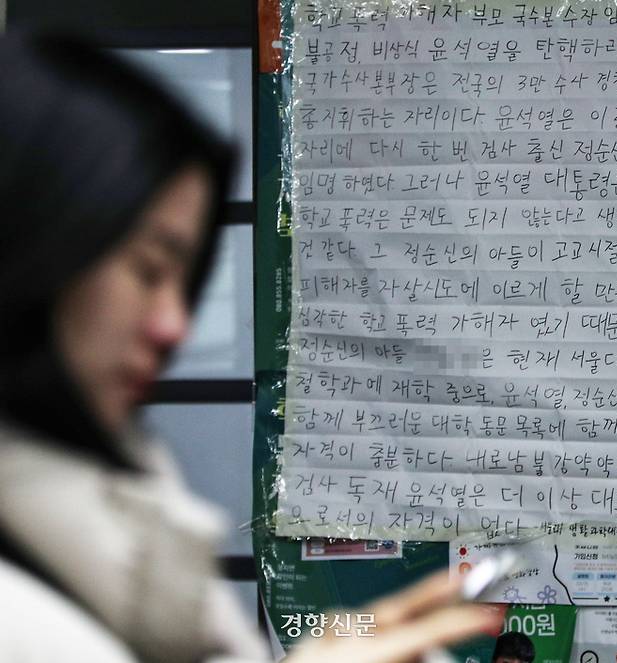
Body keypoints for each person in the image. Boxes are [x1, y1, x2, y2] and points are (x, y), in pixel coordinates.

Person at [0, 30, 502, 663]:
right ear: (33, 242)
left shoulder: (117, 509)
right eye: (150, 271)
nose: (173, 326)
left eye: (187, 283)